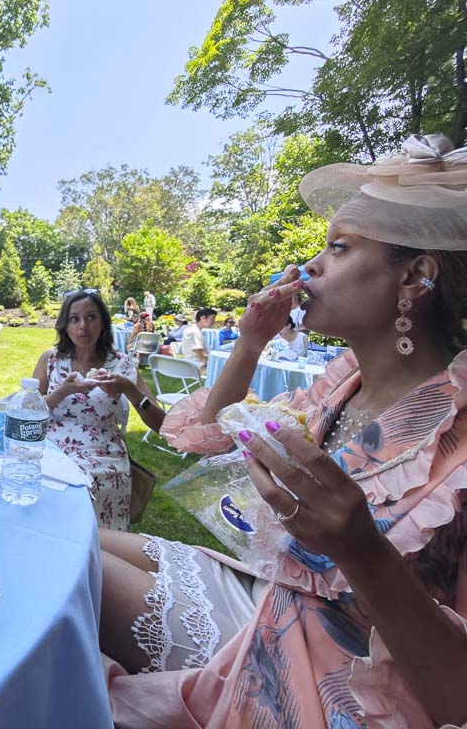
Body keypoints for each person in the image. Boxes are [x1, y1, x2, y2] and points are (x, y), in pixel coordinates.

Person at [99, 133, 467, 727]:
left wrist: (362, 551)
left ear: (415, 277)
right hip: (266, 606)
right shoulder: (338, 389)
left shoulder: (456, 446)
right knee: (79, 542)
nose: (311, 265)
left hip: (324, 692)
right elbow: (203, 435)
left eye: (339, 248)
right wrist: (251, 341)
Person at [32, 290, 165, 531]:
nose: (83, 325)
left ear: (103, 323)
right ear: (65, 326)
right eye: (74, 319)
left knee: (87, 487)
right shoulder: (51, 359)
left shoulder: (122, 364)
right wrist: (63, 391)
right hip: (51, 447)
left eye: (91, 317)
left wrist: (130, 389)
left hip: (103, 452)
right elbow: (28, 411)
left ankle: (97, 547)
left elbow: (161, 425)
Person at [179, 306, 217, 371]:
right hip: (199, 367)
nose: (214, 322)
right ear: (203, 318)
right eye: (212, 318)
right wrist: (217, 362)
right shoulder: (195, 332)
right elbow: (202, 356)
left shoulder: (194, 330)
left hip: (194, 365)